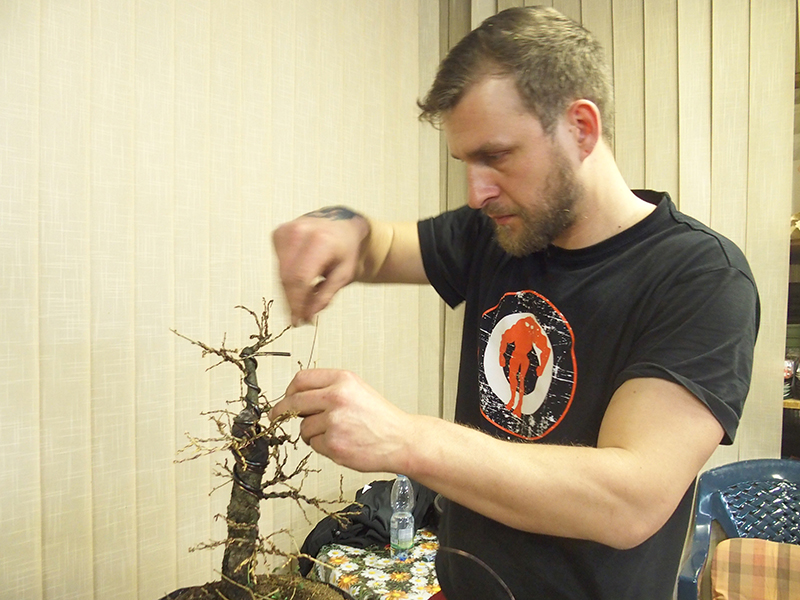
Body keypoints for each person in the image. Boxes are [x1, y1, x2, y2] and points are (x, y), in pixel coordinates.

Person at [269, 6, 759, 600]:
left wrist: (406, 439)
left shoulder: (700, 276)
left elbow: (628, 499)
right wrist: (341, 227)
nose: (477, 192)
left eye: (497, 156)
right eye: (466, 162)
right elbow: (380, 248)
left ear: (581, 128)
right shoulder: (503, 231)